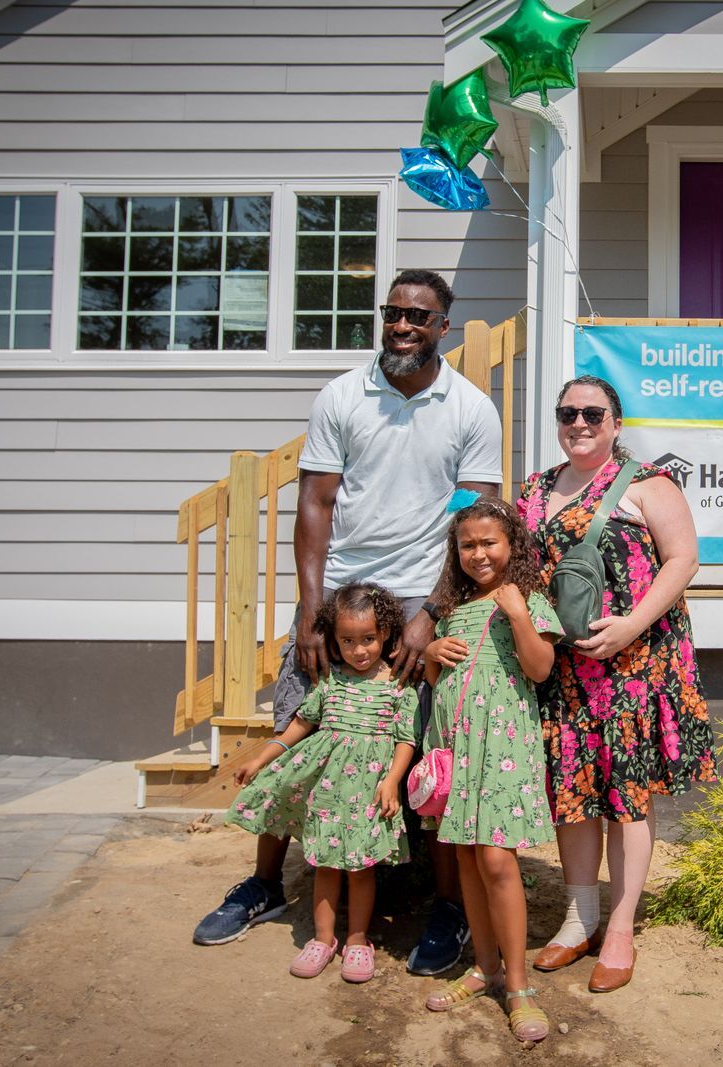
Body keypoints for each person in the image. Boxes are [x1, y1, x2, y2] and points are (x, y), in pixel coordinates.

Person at [192, 269, 500, 980]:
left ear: (442, 326)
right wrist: (310, 614)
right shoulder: (341, 395)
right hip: (342, 608)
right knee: (295, 738)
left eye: (417, 316)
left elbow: (474, 525)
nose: (401, 326)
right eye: (392, 313)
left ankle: (446, 909)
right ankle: (267, 884)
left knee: (433, 764)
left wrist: (430, 613)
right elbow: (316, 508)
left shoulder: (470, 409)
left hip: (423, 609)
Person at [517, 375, 717, 993]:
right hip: (568, 669)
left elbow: (684, 559)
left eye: (592, 413)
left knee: (627, 796)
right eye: (567, 412)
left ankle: (622, 927)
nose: (579, 423)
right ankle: (578, 921)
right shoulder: (534, 490)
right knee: (572, 791)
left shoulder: (647, 483)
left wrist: (630, 625)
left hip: (633, 666)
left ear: (616, 422)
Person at [420, 496, 562, 1043]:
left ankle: (519, 987)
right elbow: (440, 683)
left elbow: (541, 668)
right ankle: (484, 969)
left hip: (503, 745)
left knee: (498, 861)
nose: (478, 554)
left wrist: (520, 615)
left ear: (512, 547)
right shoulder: (453, 611)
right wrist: (432, 652)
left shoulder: (529, 599)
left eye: (489, 543)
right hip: (457, 745)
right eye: (467, 545)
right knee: (465, 858)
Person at [226, 583, 418, 982]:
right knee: (326, 867)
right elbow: (301, 724)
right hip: (329, 794)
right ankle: (323, 938)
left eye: (368, 639)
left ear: (385, 634)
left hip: (369, 792)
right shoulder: (330, 682)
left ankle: (359, 940)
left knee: (362, 869)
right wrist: (261, 757)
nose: (359, 649)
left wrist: (392, 781)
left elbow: (405, 740)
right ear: (333, 639)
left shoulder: (398, 687)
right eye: (347, 640)